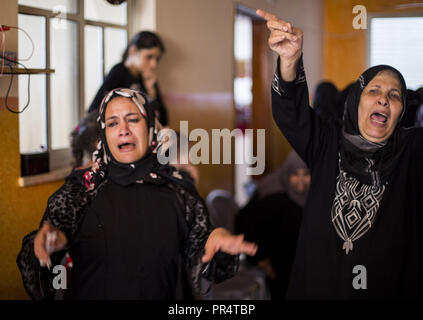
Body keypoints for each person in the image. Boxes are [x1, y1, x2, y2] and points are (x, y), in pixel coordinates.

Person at [17, 88, 257, 300]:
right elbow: (40, 270)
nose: (123, 130)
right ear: (104, 134)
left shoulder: (179, 192)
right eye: (112, 123)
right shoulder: (80, 191)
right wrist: (51, 246)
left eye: (133, 120)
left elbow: (200, 259)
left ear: (150, 127)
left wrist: (214, 242)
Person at [257, 9, 423, 299]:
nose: (384, 98)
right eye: (374, 91)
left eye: (395, 95)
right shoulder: (327, 142)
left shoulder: (411, 151)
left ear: (400, 112)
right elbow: (291, 115)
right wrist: (290, 60)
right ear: (357, 101)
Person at [236, 150, 310, 300]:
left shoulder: (313, 197)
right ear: (287, 174)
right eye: (295, 174)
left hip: (299, 266)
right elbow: (243, 221)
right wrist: (260, 259)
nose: (301, 180)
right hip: (276, 268)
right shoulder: (273, 195)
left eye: (306, 174)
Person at [88, 31, 168, 126]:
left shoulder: (148, 77)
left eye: (157, 59)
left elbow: (163, 121)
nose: (154, 64)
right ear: (133, 51)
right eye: (149, 57)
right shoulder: (119, 71)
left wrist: (151, 91)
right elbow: (93, 112)